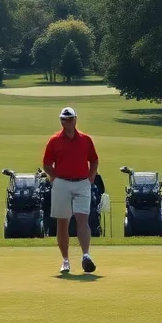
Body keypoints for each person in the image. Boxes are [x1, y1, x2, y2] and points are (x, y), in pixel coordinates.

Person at [42, 107, 99, 274]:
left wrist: (91, 177)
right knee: (62, 222)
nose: (65, 122)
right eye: (63, 119)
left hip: (82, 183)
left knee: (83, 219)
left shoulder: (85, 139)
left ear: (75, 119)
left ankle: (86, 255)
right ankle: (65, 260)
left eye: (69, 119)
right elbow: (46, 164)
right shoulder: (54, 141)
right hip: (62, 184)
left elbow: (94, 160)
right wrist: (55, 177)